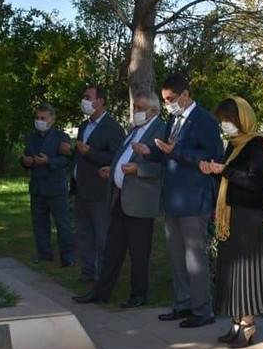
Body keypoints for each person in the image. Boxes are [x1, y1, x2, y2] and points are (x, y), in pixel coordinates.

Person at [132, 72, 224, 328]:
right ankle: (183, 303)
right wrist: (151, 152)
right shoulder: (173, 119)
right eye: (164, 99)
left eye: (170, 98)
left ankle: (203, 310)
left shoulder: (203, 120)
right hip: (172, 198)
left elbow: (212, 155)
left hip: (194, 199)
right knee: (176, 255)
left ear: (185, 94)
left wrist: (177, 151)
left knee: (195, 257)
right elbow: (168, 155)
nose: (167, 104)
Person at [72, 91, 165, 308]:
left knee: (139, 252)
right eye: (135, 108)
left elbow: (162, 166)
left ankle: (138, 295)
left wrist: (139, 169)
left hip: (140, 201)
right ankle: (101, 291)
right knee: (113, 249)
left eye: (141, 108)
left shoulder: (161, 130)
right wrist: (112, 169)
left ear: (154, 110)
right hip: (120, 197)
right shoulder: (134, 130)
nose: (136, 112)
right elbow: (122, 156)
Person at [199, 97, 263, 348]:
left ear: (242, 118)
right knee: (231, 271)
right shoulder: (233, 145)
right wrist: (216, 170)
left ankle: (247, 324)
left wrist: (224, 171)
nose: (225, 125)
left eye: (229, 120)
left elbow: (256, 181)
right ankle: (235, 321)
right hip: (232, 214)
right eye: (223, 120)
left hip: (251, 217)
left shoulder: (257, 144)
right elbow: (229, 174)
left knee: (247, 272)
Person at [70, 85, 126, 280]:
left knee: (102, 236)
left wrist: (90, 153)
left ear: (100, 101)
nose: (84, 100)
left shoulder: (113, 128)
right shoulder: (85, 126)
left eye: (88, 97)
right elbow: (78, 155)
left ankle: (104, 276)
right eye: (84, 96)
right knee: (83, 235)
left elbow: (117, 158)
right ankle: (88, 272)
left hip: (100, 192)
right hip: (82, 190)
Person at [20, 104, 75, 267]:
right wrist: (25, 161)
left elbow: (67, 160)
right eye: (37, 118)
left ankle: (68, 257)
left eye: (43, 118)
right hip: (37, 186)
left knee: (62, 224)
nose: (39, 121)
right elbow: (25, 157)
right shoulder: (31, 138)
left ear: (52, 119)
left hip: (56, 187)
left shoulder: (61, 137)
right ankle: (44, 255)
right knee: (39, 223)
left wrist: (49, 161)